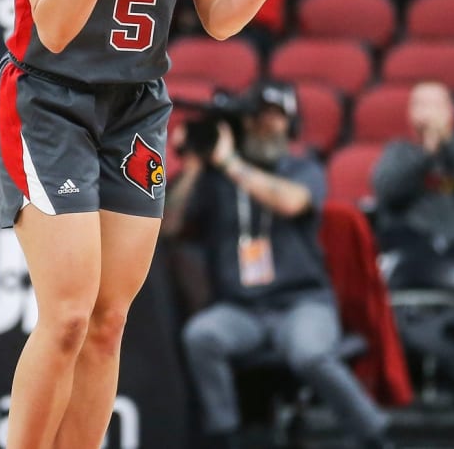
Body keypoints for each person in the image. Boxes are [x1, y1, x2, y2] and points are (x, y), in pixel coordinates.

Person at [0, 0, 340, 447]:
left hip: (136, 108)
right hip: (48, 100)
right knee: (68, 315)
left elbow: (219, 16)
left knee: (109, 321)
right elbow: (56, 30)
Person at [163, 82, 393, 449]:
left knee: (310, 354)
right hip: (241, 309)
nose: (265, 127)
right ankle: (225, 435)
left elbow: (291, 203)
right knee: (202, 336)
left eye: (275, 119)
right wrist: (194, 164)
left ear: (291, 125)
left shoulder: (302, 167)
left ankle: (373, 434)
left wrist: (229, 163)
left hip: (301, 303)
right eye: (256, 119)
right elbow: (168, 226)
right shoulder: (213, 177)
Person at [372, 81, 454, 254]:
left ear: (450, 110)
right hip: (409, 242)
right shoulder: (398, 151)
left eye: (435, 105)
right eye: (420, 104)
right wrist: (427, 152)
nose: (427, 112)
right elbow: (388, 191)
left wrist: (445, 144)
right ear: (410, 112)